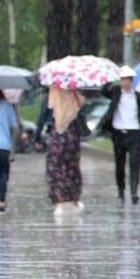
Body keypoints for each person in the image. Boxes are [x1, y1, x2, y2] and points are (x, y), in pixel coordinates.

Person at [98, 66, 140, 204]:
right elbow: (103, 91)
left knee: (134, 164)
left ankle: (134, 192)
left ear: (131, 81)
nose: (124, 82)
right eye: (122, 79)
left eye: (127, 79)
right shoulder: (116, 93)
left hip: (135, 133)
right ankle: (121, 191)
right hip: (119, 133)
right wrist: (110, 78)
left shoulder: (139, 97)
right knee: (120, 165)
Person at [45, 85, 86, 216]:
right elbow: (81, 115)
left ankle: (59, 202)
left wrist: (36, 137)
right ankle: (75, 200)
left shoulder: (52, 96)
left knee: (55, 169)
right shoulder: (75, 96)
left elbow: (44, 115)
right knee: (72, 168)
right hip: (72, 137)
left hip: (57, 136)